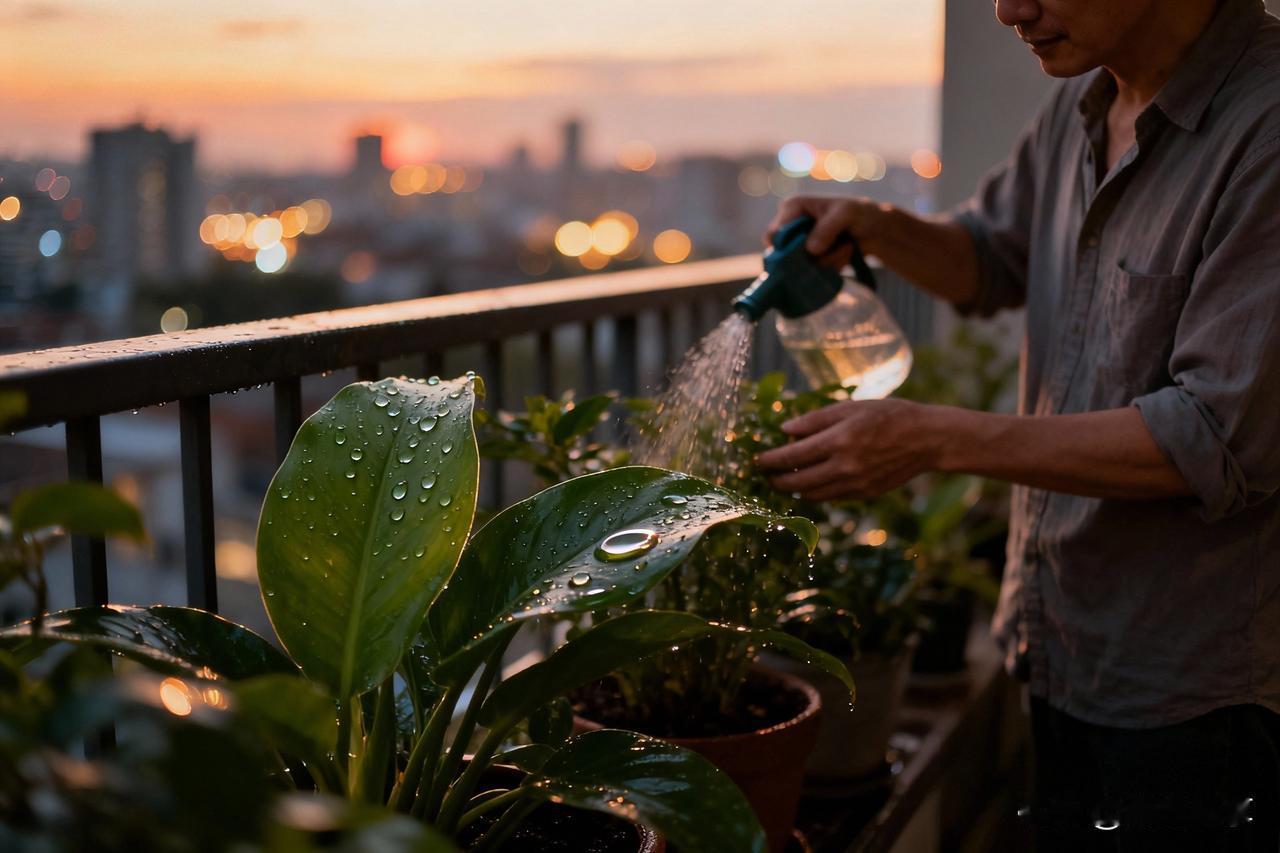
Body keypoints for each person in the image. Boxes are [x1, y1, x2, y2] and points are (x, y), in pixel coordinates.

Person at [755, 0, 1280, 848]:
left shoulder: (1266, 129)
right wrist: (877, 228)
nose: (1006, 11)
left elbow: (1213, 437)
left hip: (1196, 694)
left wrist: (931, 436)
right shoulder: (1082, 103)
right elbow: (990, 256)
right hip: (1057, 645)